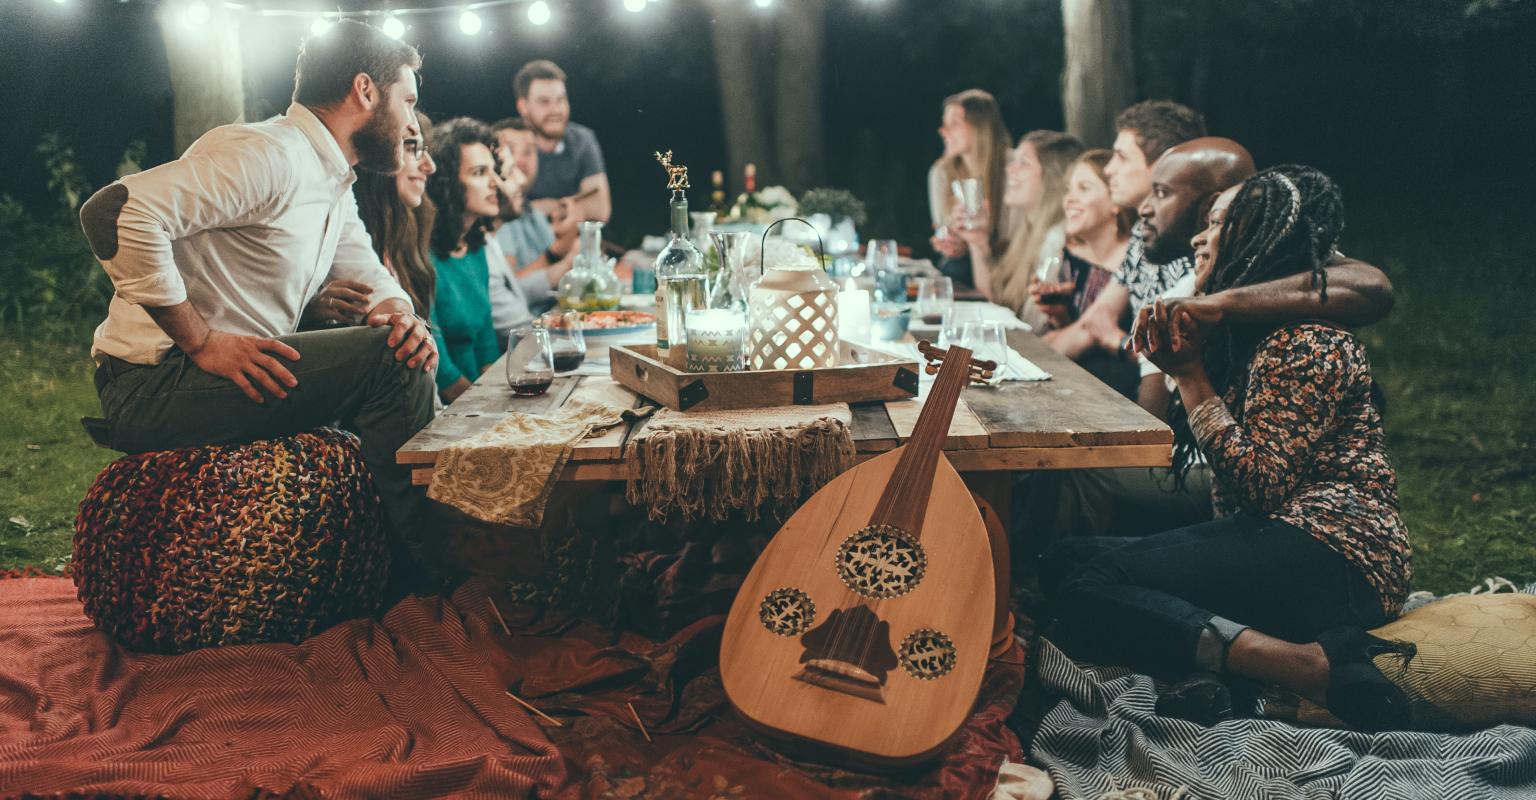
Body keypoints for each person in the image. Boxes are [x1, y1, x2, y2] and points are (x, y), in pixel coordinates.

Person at [1043, 166, 1414, 733]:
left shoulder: (1306, 339)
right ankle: (1223, 677)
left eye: (1216, 224)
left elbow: (1262, 483)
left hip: (1340, 554)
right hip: (1279, 534)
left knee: (1087, 589)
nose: (1198, 237)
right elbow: (1243, 499)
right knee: (1065, 563)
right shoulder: (1253, 335)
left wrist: (1190, 378)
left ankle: (1307, 667)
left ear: (1255, 239)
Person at [77, 21, 438, 587]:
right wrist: (201, 340)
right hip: (152, 384)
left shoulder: (330, 179)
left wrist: (403, 317)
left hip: (222, 378)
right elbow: (115, 212)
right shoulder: (269, 155)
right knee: (393, 364)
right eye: (408, 101)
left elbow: (368, 272)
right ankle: (429, 567)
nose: (413, 122)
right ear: (366, 91)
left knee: (404, 341)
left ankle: (411, 544)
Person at [426, 117, 540, 404]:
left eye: (494, 170)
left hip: (480, 397)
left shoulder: (475, 249)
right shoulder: (425, 257)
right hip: (446, 410)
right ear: (448, 182)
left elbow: (487, 345)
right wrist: (487, 406)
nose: (495, 183)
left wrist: (501, 399)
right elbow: (443, 373)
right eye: (479, 172)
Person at [305, 110, 437, 327]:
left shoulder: (408, 237)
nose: (430, 166)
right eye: (413, 148)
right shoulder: (336, 232)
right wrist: (308, 313)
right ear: (379, 153)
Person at [956, 130, 1083, 327]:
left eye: (1023, 163)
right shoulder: (1029, 231)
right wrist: (977, 240)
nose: (1010, 169)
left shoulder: (1057, 240)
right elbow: (995, 304)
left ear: (1053, 176)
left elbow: (1031, 330)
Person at [1035, 149, 1135, 351]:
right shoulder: (1071, 253)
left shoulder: (1134, 259)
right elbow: (1071, 331)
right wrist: (1059, 315)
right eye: (1069, 189)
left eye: (1084, 188)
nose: (1069, 199)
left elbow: (1089, 335)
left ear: (1116, 201)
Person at [927, 89, 1012, 287]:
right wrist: (950, 242)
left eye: (954, 123)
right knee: (954, 268)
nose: (943, 130)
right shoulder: (942, 172)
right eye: (944, 123)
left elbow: (1018, 237)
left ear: (981, 127)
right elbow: (941, 228)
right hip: (965, 265)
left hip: (1007, 262)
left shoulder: (1012, 168)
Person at [514, 60, 611, 225]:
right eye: (544, 102)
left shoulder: (582, 140)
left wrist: (540, 207)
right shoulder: (509, 142)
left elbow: (601, 210)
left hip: (573, 243)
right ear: (523, 106)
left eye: (560, 100)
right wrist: (574, 205)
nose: (555, 110)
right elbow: (501, 212)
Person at [490, 117, 577, 280]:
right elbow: (506, 289)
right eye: (510, 150)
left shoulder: (531, 212)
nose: (520, 161)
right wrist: (558, 252)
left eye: (529, 151)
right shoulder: (499, 215)